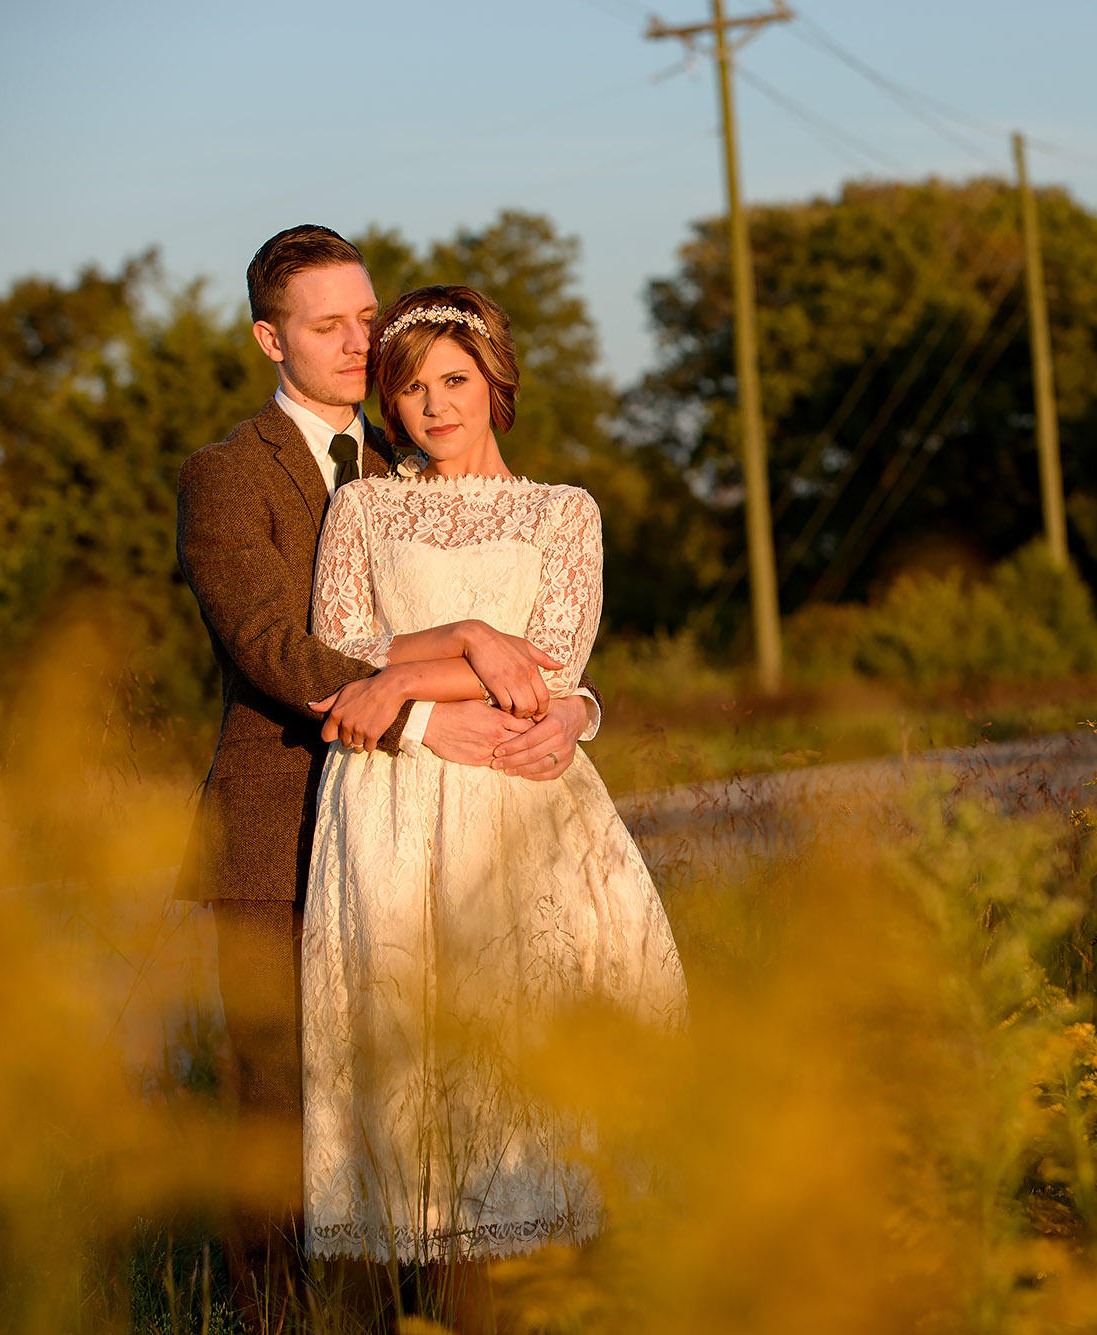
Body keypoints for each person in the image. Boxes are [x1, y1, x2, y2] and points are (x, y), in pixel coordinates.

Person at [174, 225, 600, 1330]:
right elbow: (280, 652)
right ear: (270, 338)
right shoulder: (225, 476)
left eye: (369, 318)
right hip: (283, 833)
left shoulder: (411, 454)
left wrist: (574, 711)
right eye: (329, 326)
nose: (362, 344)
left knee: (431, 1090)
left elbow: (547, 636)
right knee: (285, 1117)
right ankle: (283, 1322)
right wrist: (443, 691)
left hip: (439, 839)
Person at [299, 284, 686, 1288]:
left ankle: (563, 1281)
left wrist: (399, 676)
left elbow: (550, 662)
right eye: (412, 387)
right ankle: (435, 1292)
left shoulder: (561, 513)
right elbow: (335, 650)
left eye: (456, 380)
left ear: (496, 385)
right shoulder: (363, 507)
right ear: (389, 402)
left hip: (519, 798)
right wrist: (444, 657)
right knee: (411, 1046)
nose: (435, 405)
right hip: (389, 799)